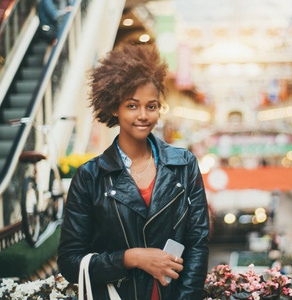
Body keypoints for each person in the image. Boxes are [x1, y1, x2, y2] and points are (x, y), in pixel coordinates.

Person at [57, 44, 210, 300]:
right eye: (132, 105)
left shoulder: (184, 164)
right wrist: (132, 258)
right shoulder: (90, 177)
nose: (143, 115)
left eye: (151, 106)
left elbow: (197, 244)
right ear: (114, 108)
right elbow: (70, 262)